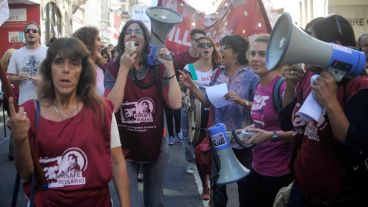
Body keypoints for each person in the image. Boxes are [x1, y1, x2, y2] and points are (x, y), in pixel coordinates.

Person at [9, 37, 131, 206]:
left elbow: (118, 163)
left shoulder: (102, 110)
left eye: (74, 63)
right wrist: (20, 138)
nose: (65, 69)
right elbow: (26, 173)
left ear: (83, 72)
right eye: (58, 62)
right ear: (49, 69)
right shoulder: (29, 112)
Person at [104, 19, 198, 207]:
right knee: (127, 200)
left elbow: (175, 103)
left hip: (156, 142)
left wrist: (170, 67)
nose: (132, 35)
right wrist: (123, 69)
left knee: (155, 201)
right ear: (122, 40)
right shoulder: (113, 68)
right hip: (123, 144)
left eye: (138, 31)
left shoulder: (157, 66)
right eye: (128, 32)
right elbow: (111, 108)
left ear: (146, 40)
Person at [281, 15, 368, 206]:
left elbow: (356, 148)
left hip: (336, 198)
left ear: (335, 47)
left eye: (310, 38)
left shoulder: (359, 87)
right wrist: (290, 87)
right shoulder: (310, 79)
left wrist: (330, 102)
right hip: (301, 190)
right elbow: (289, 124)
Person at [180, 34, 259, 207]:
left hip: (243, 141)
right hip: (220, 139)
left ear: (237, 53)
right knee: (218, 187)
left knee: (246, 189)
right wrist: (192, 86)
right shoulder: (218, 73)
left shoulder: (252, 76)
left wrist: (241, 101)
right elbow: (208, 101)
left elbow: (261, 109)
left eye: (225, 48)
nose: (220, 51)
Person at [238, 34, 293, 207]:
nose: (256, 59)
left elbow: (300, 131)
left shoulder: (283, 86)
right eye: (253, 54)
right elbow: (264, 122)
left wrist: (271, 136)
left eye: (262, 54)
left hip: (279, 171)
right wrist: (248, 130)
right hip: (257, 165)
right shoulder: (258, 86)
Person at [181, 36, 221, 200]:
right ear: (197, 49)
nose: (205, 48)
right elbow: (183, 89)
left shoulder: (219, 68)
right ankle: (205, 185)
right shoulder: (189, 67)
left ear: (212, 48)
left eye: (208, 45)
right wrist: (184, 97)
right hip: (195, 117)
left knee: (216, 151)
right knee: (199, 151)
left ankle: (215, 183)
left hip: (215, 115)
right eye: (202, 45)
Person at [167, 28, 206, 145]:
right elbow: (173, 80)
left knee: (203, 135)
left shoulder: (208, 58)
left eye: (202, 40)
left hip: (204, 103)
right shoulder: (179, 59)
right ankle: (190, 160)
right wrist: (183, 95)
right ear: (191, 41)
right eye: (196, 40)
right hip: (187, 104)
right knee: (187, 135)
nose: (200, 43)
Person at [8, 22, 48, 105]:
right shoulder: (16, 54)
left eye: (34, 31)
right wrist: (18, 77)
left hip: (46, 101)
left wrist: (43, 81)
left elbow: (57, 76)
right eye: (28, 31)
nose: (31, 32)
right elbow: (10, 78)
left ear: (39, 35)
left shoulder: (48, 52)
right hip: (24, 102)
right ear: (25, 35)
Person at [73, 26, 105, 96]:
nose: (102, 45)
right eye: (98, 40)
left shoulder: (100, 70)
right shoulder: (74, 70)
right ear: (87, 43)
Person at [1, 48, 17, 161]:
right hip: (10, 101)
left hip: (18, 99)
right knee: (15, 124)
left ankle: (13, 150)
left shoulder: (15, 70)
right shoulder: (5, 72)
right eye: (10, 56)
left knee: (15, 124)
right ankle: (12, 151)